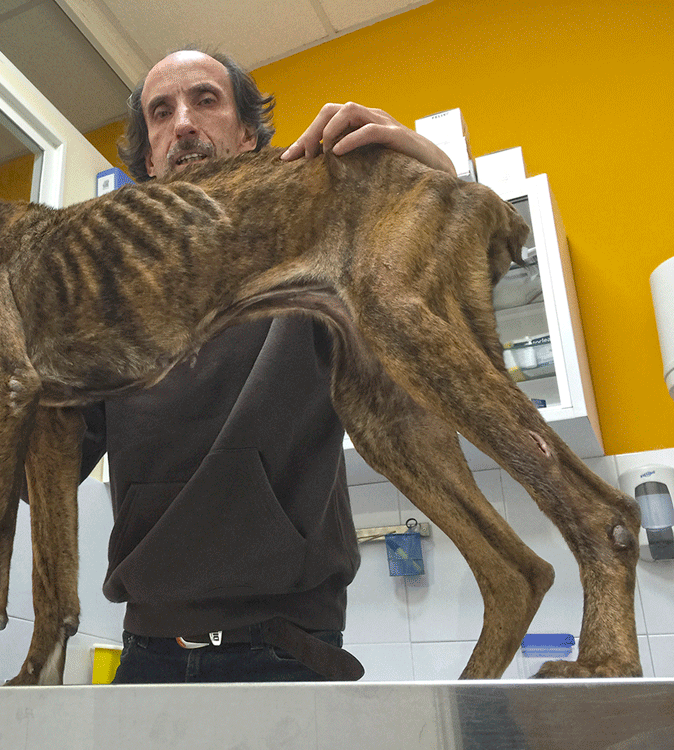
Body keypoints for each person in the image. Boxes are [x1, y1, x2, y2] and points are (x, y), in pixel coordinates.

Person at [79, 49, 456, 683]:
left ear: (248, 133)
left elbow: (437, 318)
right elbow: (46, 472)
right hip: (146, 654)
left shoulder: (321, 261)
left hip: (288, 650)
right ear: (147, 158)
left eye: (206, 100)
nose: (184, 124)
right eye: (161, 112)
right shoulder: (109, 308)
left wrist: (435, 175)